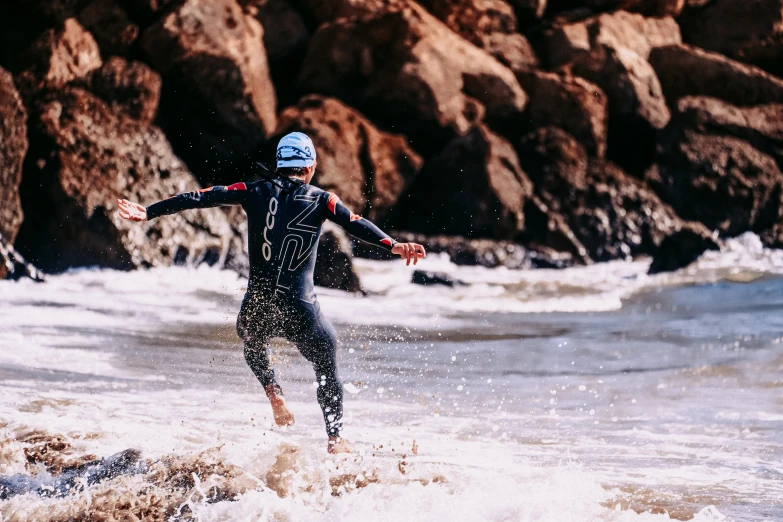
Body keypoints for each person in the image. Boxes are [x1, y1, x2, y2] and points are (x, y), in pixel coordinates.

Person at [117, 132, 426, 454]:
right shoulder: (323, 200)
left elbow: (200, 196)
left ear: (280, 165)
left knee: (251, 340)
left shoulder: (252, 190)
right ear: (310, 167)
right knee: (326, 364)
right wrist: (393, 245)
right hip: (301, 307)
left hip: (258, 305)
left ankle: (273, 392)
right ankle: (335, 438)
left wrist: (149, 211)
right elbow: (355, 222)